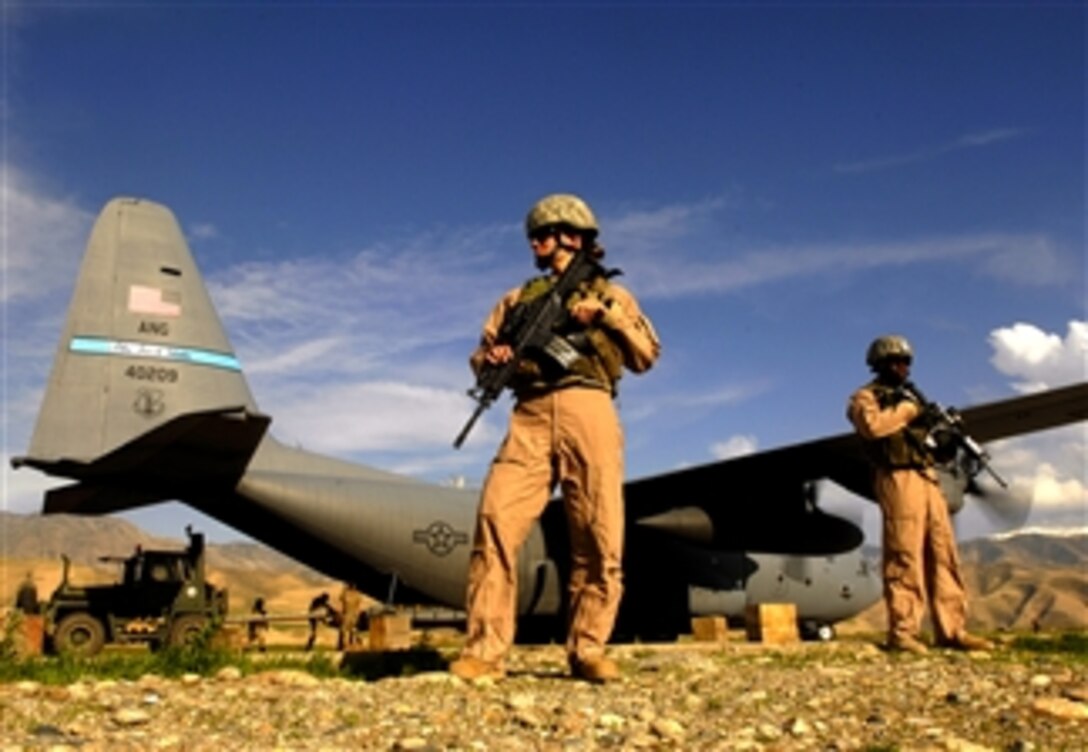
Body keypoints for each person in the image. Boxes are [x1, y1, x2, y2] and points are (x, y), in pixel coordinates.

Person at [449, 193, 661, 683]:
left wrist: (605, 317)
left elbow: (646, 354)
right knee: (496, 522)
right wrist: (493, 360)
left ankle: (588, 649)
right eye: (535, 237)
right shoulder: (516, 299)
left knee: (598, 532)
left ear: (574, 236)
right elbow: (479, 357)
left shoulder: (611, 294)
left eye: (545, 235)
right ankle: (484, 651)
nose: (537, 244)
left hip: (589, 407)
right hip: (528, 415)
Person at [847, 335, 994, 655]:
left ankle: (952, 630)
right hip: (897, 476)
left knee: (944, 554)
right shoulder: (865, 397)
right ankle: (903, 632)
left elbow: (932, 448)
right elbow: (872, 427)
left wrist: (946, 441)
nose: (903, 368)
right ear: (879, 364)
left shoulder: (912, 400)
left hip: (927, 476)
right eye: (896, 362)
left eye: (906, 362)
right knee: (905, 553)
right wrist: (909, 411)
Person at [338, 583, 363, 650]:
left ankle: (343, 646)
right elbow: (358, 604)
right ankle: (357, 642)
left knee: (343, 630)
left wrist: (344, 589)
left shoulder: (347, 593)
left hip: (349, 614)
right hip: (353, 614)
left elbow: (341, 598)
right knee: (352, 629)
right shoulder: (357, 594)